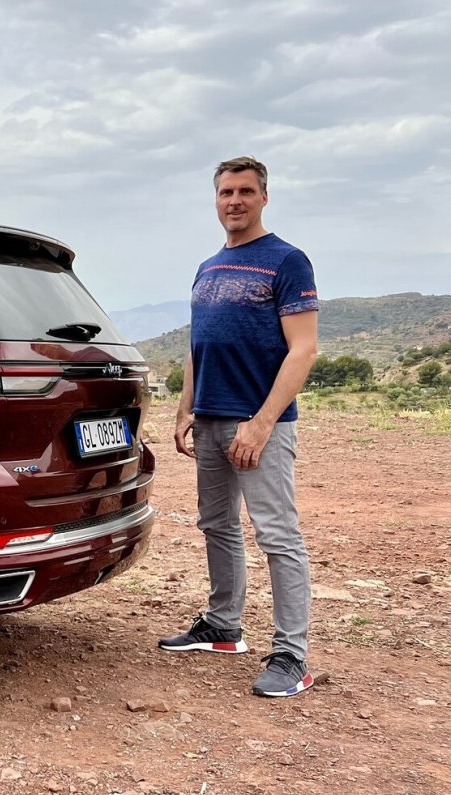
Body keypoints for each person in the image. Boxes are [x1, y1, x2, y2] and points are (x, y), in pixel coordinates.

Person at [160, 156, 320, 698]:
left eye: (246, 191)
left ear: (264, 197)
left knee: (277, 535)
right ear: (216, 199)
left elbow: (304, 349)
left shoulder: (287, 261)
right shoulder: (208, 268)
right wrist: (186, 407)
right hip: (209, 417)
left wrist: (262, 422)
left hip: (259, 424)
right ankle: (223, 626)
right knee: (217, 525)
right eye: (226, 192)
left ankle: (292, 656)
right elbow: (197, 345)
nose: (235, 201)